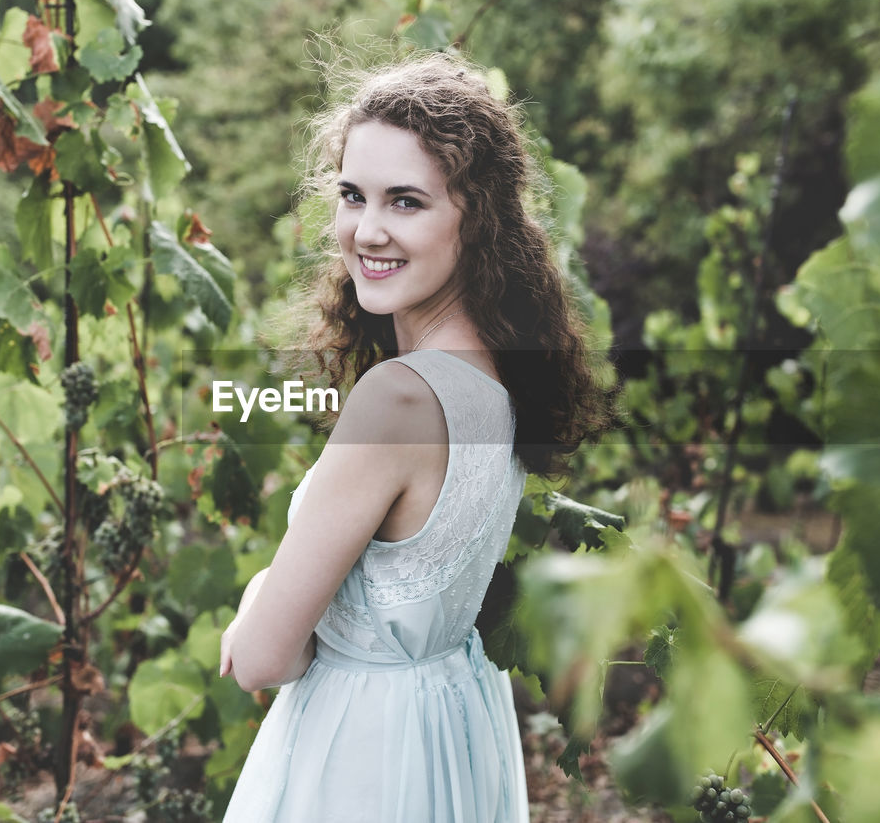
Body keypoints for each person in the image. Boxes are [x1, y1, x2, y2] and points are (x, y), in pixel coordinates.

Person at [218, 52, 609, 823]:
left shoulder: (397, 399)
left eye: (406, 201)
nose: (367, 230)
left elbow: (264, 658)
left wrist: (260, 592)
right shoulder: (492, 377)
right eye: (353, 195)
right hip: (444, 727)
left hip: (365, 753)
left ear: (478, 217)